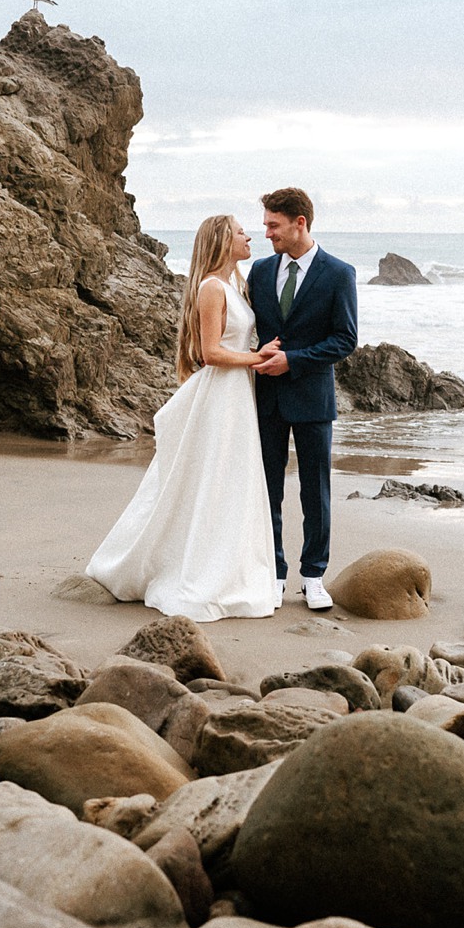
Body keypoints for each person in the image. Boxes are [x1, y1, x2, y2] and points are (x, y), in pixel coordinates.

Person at [84, 214, 282, 620]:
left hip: (238, 395)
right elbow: (210, 353)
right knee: (210, 479)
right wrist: (257, 359)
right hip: (221, 393)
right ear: (223, 240)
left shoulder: (236, 285)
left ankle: (230, 567)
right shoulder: (212, 288)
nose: (249, 236)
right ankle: (184, 568)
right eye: (241, 231)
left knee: (230, 481)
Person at [248, 187, 358, 610]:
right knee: (267, 490)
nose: (267, 233)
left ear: (300, 223)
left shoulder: (338, 273)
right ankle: (274, 574)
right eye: (264, 226)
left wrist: (292, 361)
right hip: (267, 399)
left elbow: (345, 339)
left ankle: (313, 576)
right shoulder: (259, 271)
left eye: (273, 225)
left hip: (313, 398)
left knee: (316, 492)